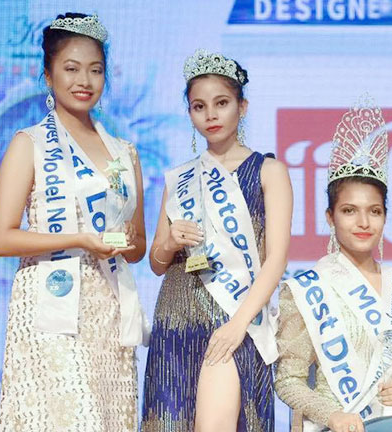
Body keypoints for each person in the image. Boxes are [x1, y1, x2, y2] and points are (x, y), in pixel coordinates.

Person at [0, 13, 148, 431]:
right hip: (50, 307)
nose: (84, 81)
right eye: (71, 69)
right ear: (48, 75)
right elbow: (1, 239)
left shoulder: (124, 153)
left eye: (95, 70)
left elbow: (137, 248)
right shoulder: (29, 144)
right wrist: (80, 238)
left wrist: (122, 240)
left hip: (109, 312)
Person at [141, 49, 292, 432]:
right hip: (176, 316)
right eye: (199, 106)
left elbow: (276, 259)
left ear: (242, 107)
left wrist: (238, 324)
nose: (210, 115)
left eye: (221, 103)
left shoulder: (269, 171)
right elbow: (156, 263)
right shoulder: (179, 178)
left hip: (235, 316)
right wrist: (169, 242)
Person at [274, 97, 392, 432]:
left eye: (374, 211)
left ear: (385, 217)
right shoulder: (306, 289)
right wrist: (332, 415)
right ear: (330, 217)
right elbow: (288, 381)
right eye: (349, 211)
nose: (363, 222)